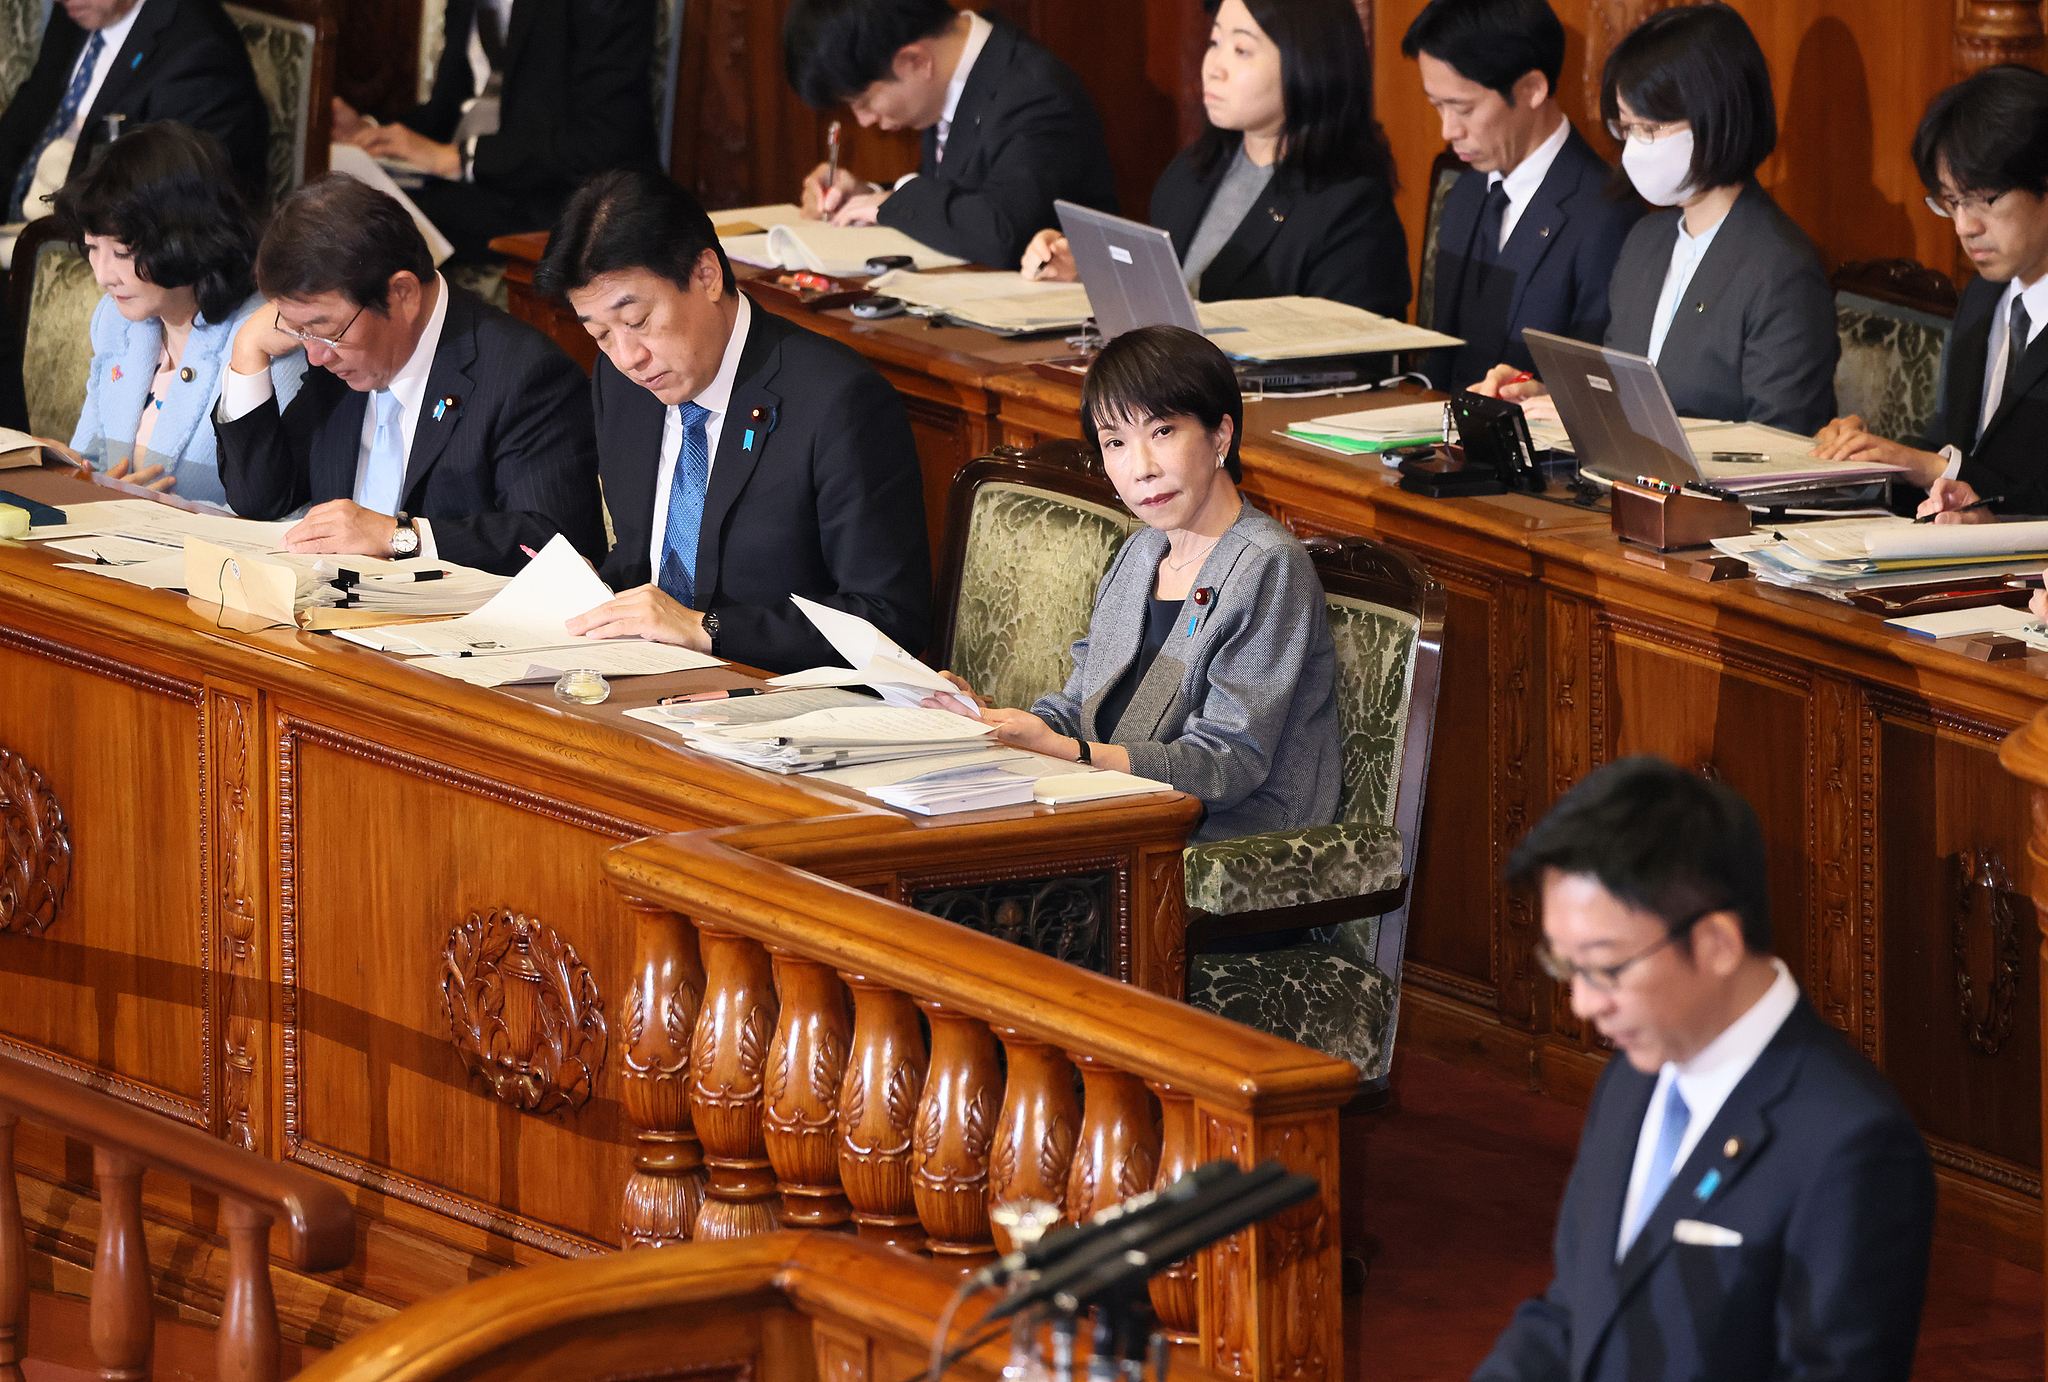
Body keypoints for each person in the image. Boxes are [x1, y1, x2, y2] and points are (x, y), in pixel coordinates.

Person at [1476, 755, 1934, 1382]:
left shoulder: (1851, 1143)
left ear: (1717, 942)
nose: (1583, 1003)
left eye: (1606, 967)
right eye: (1566, 967)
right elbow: (1572, 1315)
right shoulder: (1632, 1079)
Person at [926, 325, 1340, 843]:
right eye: (1115, 442)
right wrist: (988, 719)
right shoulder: (1140, 552)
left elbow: (1227, 765)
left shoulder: (1267, 565)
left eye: (1162, 431)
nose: (1140, 468)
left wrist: (1071, 754)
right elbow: (1079, 709)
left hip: (1222, 852)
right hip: (1115, 818)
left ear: (1220, 435)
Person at [537, 169, 932, 675]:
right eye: (600, 335)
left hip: (778, 701)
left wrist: (705, 628)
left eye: (636, 322)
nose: (628, 357)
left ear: (706, 275)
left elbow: (891, 620)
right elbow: (643, 558)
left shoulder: (837, 401)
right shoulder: (621, 387)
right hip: (638, 676)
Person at [213, 175, 605, 575]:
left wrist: (400, 536)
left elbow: (556, 542)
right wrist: (248, 350)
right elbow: (261, 499)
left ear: (402, 294)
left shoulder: (522, 373)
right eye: (301, 332)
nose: (315, 356)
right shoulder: (341, 358)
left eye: (326, 330)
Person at [1487, 4, 1837, 434]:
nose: (1634, 149)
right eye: (1626, 129)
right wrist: (1551, 399)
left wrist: (1610, 420)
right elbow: (1620, 395)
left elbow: (1783, 451)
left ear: (1716, 117)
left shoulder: (1780, 267)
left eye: (1649, 130)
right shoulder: (1645, 241)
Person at [1017, 0, 1409, 320]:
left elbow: (1350, 361)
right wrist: (1086, 271)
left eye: (1241, 50)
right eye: (1214, 42)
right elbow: (1169, 304)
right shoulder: (1190, 173)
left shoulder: (1350, 208)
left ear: (1310, 63)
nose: (1214, 67)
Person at [0, 0, 268, 429]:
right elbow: (21, 125)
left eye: (118, 255)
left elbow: (183, 195)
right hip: (55, 221)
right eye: (95, 254)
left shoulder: (199, 48)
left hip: (71, 233)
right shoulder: (76, 20)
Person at [1812, 66, 2048, 526]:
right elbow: (1953, 444)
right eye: (1952, 202)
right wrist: (1875, 455)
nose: (1965, 226)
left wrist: (1933, 467)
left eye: (1986, 200)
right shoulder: (1984, 297)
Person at [46, 122, 303, 509]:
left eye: (121, 253)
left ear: (185, 238)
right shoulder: (115, 321)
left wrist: (164, 513)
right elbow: (91, 461)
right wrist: (72, 477)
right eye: (91, 248)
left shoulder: (270, 333)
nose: (102, 276)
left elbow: (287, 511)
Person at [1401, 0, 1642, 389]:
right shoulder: (1465, 193)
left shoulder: (1606, 215)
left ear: (1532, 89)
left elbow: (1596, 391)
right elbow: (1443, 359)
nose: (1448, 130)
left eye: (1462, 108)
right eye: (1437, 106)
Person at [784, 0, 1118, 270]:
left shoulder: (1035, 92)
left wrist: (892, 203)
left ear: (915, 61)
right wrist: (864, 197)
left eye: (864, 102)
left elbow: (1001, 232)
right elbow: (959, 199)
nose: (864, 120)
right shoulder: (958, 76)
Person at [330, 0, 659, 266]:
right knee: (340, 194)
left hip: (569, 198)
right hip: (483, 185)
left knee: (372, 222)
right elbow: (451, 109)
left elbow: (604, 140)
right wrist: (370, 133)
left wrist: (461, 158)